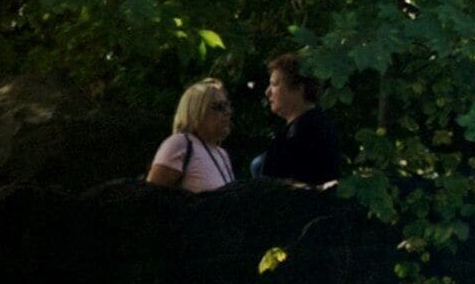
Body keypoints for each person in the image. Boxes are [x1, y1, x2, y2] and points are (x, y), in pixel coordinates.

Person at [254, 52, 345, 186]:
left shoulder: (309, 133)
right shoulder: (309, 126)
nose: (268, 92)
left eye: (274, 84)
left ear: (299, 88)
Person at [145, 79, 237, 191]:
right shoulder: (179, 144)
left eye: (227, 105)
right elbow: (151, 196)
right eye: (219, 106)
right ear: (196, 110)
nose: (227, 112)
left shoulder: (222, 154)